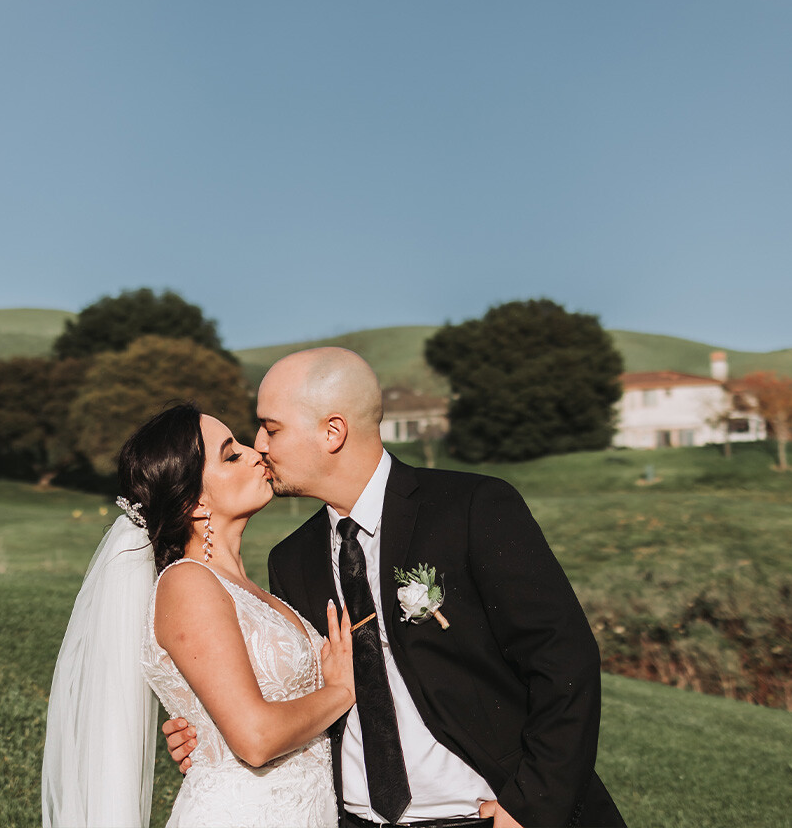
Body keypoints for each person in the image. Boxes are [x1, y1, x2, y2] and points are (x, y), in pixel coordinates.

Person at [164, 348, 626, 828]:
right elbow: (295, 692)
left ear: (332, 431)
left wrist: (529, 809)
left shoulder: (471, 508)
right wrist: (206, 726)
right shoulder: (291, 559)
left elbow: (564, 661)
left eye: (272, 428)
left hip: (485, 814)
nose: (259, 444)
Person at [41, 402, 354, 828]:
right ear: (195, 502)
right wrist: (342, 691)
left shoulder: (256, 588)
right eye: (231, 454)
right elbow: (256, 740)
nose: (255, 452)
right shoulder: (188, 585)